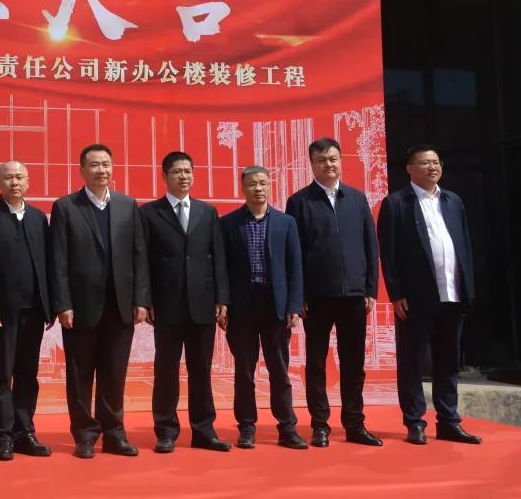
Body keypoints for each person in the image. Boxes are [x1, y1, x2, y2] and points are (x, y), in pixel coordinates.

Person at [49, 144, 150, 459]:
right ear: (81, 170)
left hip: (120, 305)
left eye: (106, 164)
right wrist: (62, 303)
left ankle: (114, 434)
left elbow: (139, 255)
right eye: (94, 165)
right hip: (80, 307)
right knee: (80, 374)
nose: (101, 170)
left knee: (114, 373)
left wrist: (141, 299)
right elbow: (58, 260)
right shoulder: (66, 207)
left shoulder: (127, 205)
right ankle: (84, 435)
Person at [378, 144, 481, 446]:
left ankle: (449, 421)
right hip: (415, 296)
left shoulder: (453, 201)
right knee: (412, 361)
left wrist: (467, 288)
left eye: (436, 162)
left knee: (448, 361)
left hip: (452, 293)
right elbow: (389, 253)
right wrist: (396, 292)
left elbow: (464, 246)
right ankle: (415, 421)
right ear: (409, 169)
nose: (433, 167)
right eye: (425, 163)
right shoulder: (396, 203)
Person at [285, 137, 383, 448]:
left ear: (341, 161)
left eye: (333, 159)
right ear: (311, 165)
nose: (328, 164)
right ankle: (320, 425)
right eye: (322, 160)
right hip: (316, 297)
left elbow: (370, 246)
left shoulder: (357, 199)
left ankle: (355, 424)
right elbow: (295, 253)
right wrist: (299, 295)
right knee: (316, 363)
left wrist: (370, 288)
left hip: (354, 295)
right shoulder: (299, 202)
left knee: (354, 363)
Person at [141, 151, 230, 454]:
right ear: (164, 176)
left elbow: (218, 257)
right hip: (166, 306)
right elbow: (143, 260)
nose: (184, 176)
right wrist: (146, 299)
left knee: (201, 371)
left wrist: (222, 297)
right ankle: (166, 431)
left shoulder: (207, 212)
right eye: (177, 171)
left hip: (203, 305)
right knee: (166, 371)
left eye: (188, 171)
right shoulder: (149, 213)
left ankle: (204, 430)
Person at [0, 161, 53, 461]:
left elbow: (48, 263)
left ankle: (24, 431)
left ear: (28, 182)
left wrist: (50, 305)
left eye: (19, 177)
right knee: (2, 374)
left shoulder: (39, 218)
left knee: (28, 374)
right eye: (8, 177)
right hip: (1, 314)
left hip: (34, 309)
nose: (14, 182)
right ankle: (3, 436)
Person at [221, 166, 308, 450]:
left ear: (270, 186)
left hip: (276, 306)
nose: (258, 189)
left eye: (262, 183)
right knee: (244, 371)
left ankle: (287, 427)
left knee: (279, 370)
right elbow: (221, 268)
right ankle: (247, 427)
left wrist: (294, 305)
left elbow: (295, 267)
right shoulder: (228, 224)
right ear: (242, 188)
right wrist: (222, 303)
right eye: (252, 184)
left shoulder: (286, 223)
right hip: (242, 308)